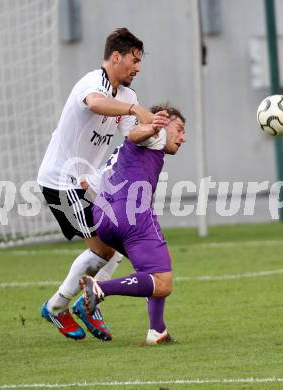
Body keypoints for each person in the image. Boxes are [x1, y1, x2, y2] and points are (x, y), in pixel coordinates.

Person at [37, 28, 169, 341]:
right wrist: (134, 110)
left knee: (114, 248)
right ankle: (63, 306)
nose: (137, 67)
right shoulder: (92, 82)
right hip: (61, 180)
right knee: (103, 250)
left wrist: (153, 128)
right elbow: (95, 103)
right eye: (133, 61)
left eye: (140, 62)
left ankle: (77, 304)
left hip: (87, 181)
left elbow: (131, 135)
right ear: (115, 57)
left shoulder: (128, 96)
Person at [75, 104, 186, 345]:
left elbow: (87, 183)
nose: (182, 137)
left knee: (155, 270)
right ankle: (99, 288)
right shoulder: (154, 136)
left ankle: (157, 331)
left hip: (103, 218)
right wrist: (151, 128)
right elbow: (135, 134)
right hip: (132, 214)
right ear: (163, 124)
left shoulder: (120, 153)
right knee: (162, 282)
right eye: (179, 129)